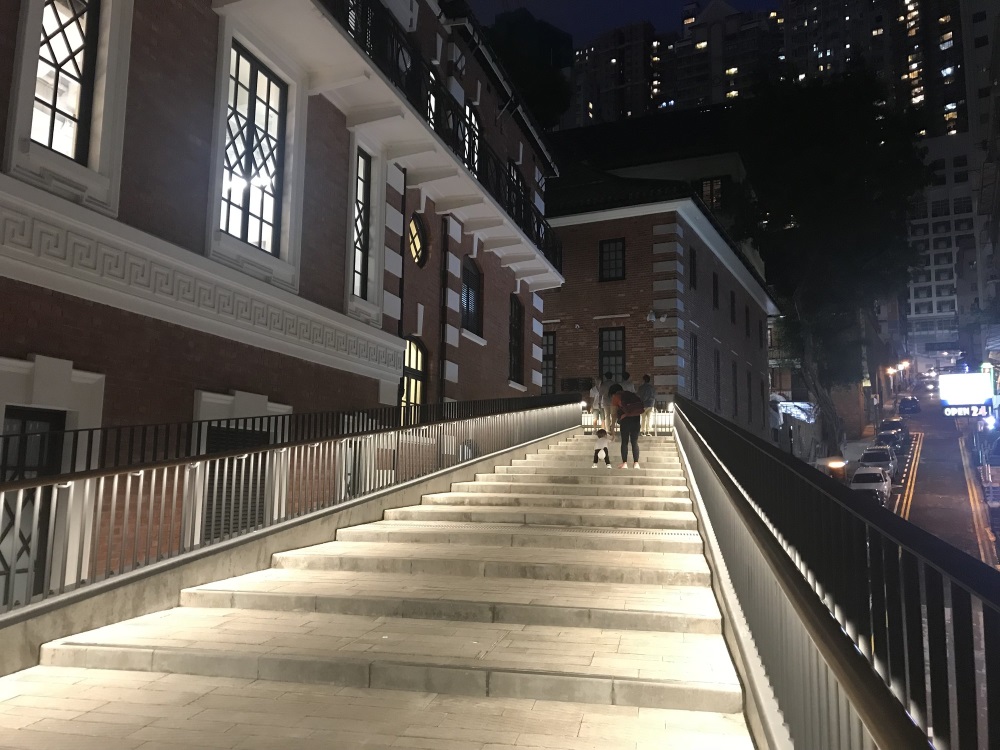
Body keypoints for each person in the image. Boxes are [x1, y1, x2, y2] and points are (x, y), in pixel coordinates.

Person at [609, 384, 644, 468]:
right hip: (636, 419)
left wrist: (612, 428)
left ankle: (624, 463)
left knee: (624, 442)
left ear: (613, 392)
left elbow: (613, 414)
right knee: (634, 442)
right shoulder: (632, 395)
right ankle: (636, 463)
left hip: (625, 420)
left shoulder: (616, 397)